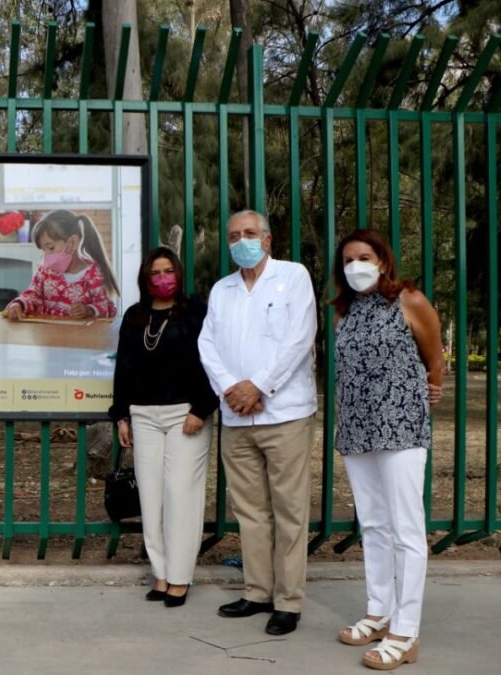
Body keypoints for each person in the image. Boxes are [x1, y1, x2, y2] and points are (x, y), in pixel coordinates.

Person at [198, 210, 317, 636]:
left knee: (289, 509)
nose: (242, 240)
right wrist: (233, 387)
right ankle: (257, 591)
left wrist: (259, 387)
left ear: (267, 239)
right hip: (236, 416)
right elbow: (207, 343)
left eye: (250, 233)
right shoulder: (222, 289)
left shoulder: (293, 276)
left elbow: (300, 338)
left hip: (284, 413)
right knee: (249, 511)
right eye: (234, 235)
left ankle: (288, 600)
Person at [332, 230, 442, 670]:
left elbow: (434, 356)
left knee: (406, 528)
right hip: (357, 427)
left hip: (399, 425)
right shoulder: (343, 312)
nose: (356, 265)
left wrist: (432, 387)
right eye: (348, 259)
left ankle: (406, 629)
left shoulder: (409, 300)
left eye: (365, 256)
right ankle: (379, 610)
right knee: (374, 523)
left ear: (382, 259)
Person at [109, 247, 218, 608]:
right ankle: (160, 572)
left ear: (179, 273)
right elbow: (123, 369)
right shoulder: (135, 317)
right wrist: (121, 415)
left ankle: (180, 577)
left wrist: (202, 408)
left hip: (186, 414)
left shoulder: (195, 314)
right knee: (151, 497)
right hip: (143, 416)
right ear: (145, 278)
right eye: (155, 272)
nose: (162, 277)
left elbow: (211, 361)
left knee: (180, 495)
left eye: (168, 270)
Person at [4, 210, 119, 320]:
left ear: (73, 242)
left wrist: (89, 310)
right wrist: (19, 305)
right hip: (48, 338)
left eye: (51, 248)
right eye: (44, 250)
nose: (46, 256)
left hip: (80, 338)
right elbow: (32, 295)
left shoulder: (94, 275)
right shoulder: (45, 271)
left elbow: (107, 309)